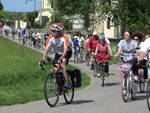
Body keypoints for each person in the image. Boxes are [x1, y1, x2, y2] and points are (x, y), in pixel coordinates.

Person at [41, 23, 72, 88]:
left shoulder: (64, 37)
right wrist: (43, 58)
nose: (52, 32)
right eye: (51, 30)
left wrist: (61, 58)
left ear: (59, 32)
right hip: (58, 53)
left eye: (54, 31)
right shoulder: (50, 37)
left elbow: (65, 49)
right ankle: (59, 87)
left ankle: (67, 82)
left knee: (62, 62)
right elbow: (46, 49)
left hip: (67, 52)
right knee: (56, 69)